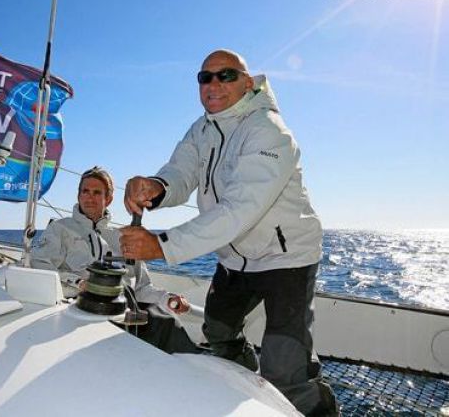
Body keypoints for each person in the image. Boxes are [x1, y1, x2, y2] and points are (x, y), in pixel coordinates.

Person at [120, 50, 338, 416]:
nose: (214, 84)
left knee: (286, 368)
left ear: (248, 83)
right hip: (234, 258)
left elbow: (240, 209)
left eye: (226, 75)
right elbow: (181, 173)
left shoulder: (269, 131)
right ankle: (244, 397)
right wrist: (156, 186)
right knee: (219, 334)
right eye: (205, 78)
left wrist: (162, 245)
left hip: (287, 259)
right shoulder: (201, 129)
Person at [31, 166, 199, 354]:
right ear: (78, 196)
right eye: (85, 191)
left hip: (121, 311)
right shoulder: (60, 229)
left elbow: (141, 288)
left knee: (166, 322)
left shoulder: (122, 237)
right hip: (79, 309)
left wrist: (168, 298)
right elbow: (40, 267)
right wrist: (79, 283)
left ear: (108, 199)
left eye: (97, 193)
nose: (89, 197)